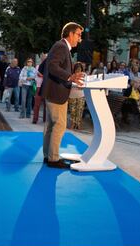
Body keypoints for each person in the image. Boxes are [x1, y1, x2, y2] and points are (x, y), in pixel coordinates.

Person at [42, 22, 84, 169]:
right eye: (78, 35)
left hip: (53, 91)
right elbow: (53, 66)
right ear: (70, 34)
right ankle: (53, 159)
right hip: (56, 93)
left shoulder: (60, 46)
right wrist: (70, 77)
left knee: (52, 126)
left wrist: (69, 77)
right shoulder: (61, 46)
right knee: (59, 125)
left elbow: (45, 66)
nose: (80, 39)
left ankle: (48, 156)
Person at [68, 62, 86, 130]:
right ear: (74, 69)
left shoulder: (84, 75)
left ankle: (78, 124)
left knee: (79, 110)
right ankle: (72, 124)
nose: (78, 70)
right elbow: (68, 83)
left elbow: (86, 83)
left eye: (79, 69)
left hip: (81, 95)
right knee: (72, 111)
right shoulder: (72, 75)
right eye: (77, 69)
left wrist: (83, 86)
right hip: (72, 95)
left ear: (81, 69)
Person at [32, 53, 48, 124]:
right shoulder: (38, 66)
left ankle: (45, 119)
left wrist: (43, 75)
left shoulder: (49, 67)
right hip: (39, 86)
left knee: (46, 105)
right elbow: (38, 74)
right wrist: (44, 76)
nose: (44, 58)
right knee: (37, 104)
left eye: (45, 57)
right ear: (41, 58)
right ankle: (35, 119)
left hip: (46, 87)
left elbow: (43, 75)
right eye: (43, 57)